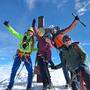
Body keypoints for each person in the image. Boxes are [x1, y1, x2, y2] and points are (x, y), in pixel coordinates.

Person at [3, 21, 35, 90]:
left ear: (33, 33)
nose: (30, 33)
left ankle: (29, 86)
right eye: (29, 31)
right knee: (14, 70)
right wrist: (8, 26)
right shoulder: (22, 37)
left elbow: (33, 49)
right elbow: (14, 32)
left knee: (30, 71)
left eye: (31, 32)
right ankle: (10, 86)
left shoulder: (32, 42)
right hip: (19, 55)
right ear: (27, 32)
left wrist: (39, 48)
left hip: (27, 56)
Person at [50, 16, 79, 86]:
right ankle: (68, 82)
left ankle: (74, 81)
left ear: (55, 29)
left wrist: (75, 21)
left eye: (53, 29)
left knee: (72, 65)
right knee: (64, 67)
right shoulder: (53, 38)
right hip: (61, 52)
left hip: (67, 50)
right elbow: (55, 46)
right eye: (51, 30)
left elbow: (69, 28)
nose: (52, 31)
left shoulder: (61, 32)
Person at [32, 18, 53, 90]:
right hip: (40, 57)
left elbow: (49, 52)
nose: (47, 38)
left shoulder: (49, 44)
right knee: (42, 71)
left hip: (45, 58)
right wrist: (33, 25)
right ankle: (45, 84)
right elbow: (36, 32)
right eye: (46, 37)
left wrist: (48, 59)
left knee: (45, 70)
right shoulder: (41, 39)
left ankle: (49, 83)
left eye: (48, 38)